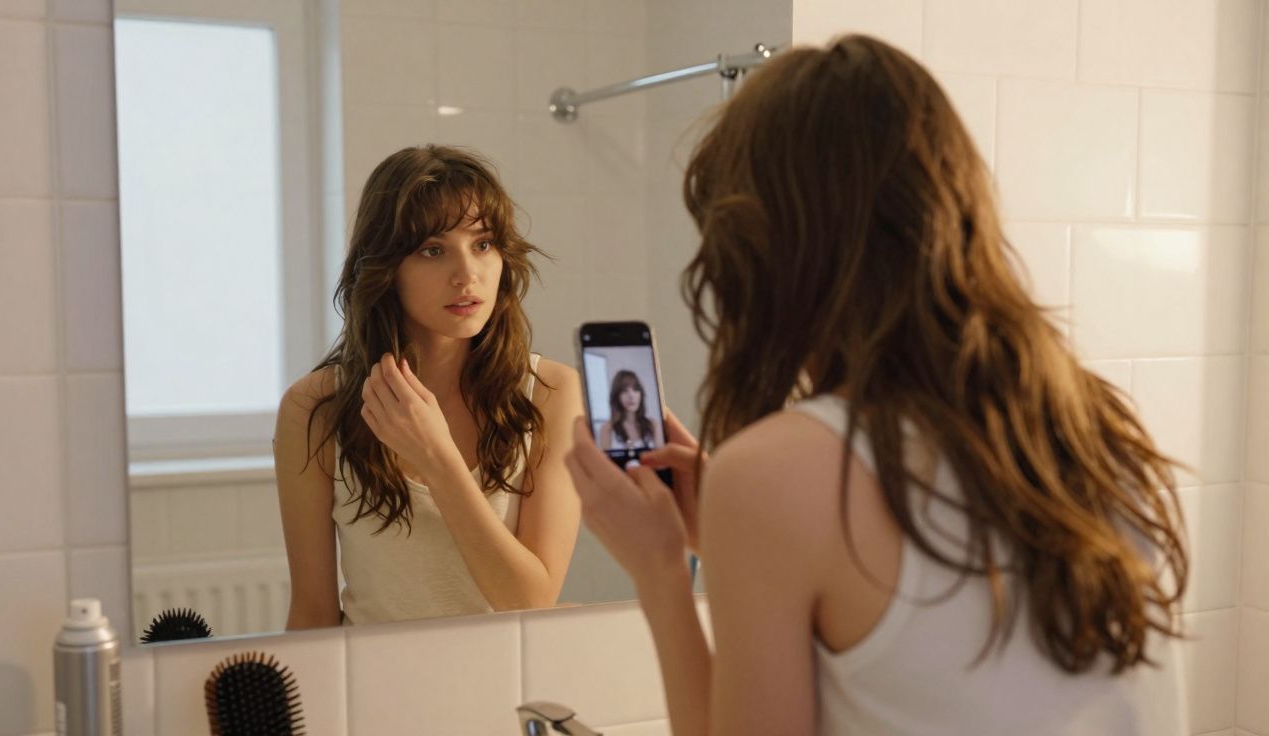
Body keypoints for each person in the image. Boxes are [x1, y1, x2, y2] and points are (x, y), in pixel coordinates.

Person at [564, 35, 1189, 735]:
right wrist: (738, 542)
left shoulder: (776, 472)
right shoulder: (1087, 423)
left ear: (761, 251)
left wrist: (660, 574)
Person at [274, 145, 584, 627]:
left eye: (483, 244)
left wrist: (437, 459)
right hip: (373, 674)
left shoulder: (550, 392)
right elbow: (313, 612)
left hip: (506, 673)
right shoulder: (315, 406)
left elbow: (531, 602)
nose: (467, 275)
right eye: (432, 250)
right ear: (386, 269)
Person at [598, 369, 665, 451]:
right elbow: (604, 458)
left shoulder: (653, 425)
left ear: (641, 394)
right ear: (617, 396)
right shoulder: (608, 428)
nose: (631, 395)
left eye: (635, 389)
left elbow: (661, 457)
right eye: (624, 391)